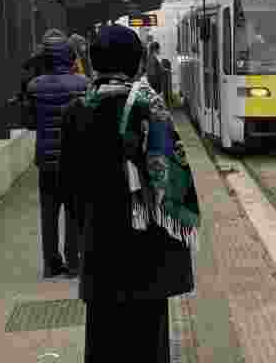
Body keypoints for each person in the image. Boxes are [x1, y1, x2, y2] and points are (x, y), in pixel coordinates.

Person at [60, 25, 198, 363]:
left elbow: (69, 188)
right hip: (149, 257)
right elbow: (177, 187)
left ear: (93, 62)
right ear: (138, 64)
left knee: (103, 341)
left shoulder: (77, 113)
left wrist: (84, 234)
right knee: (150, 344)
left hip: (101, 253)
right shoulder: (153, 110)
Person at [27, 28, 88, 278]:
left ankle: (51, 263)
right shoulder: (82, 84)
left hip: (46, 161)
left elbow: (30, 122)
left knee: (48, 214)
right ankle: (74, 263)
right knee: (74, 212)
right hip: (74, 160)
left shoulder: (35, 87)